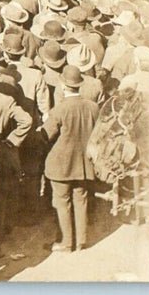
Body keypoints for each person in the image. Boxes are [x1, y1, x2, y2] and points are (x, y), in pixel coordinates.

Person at [42, 72, 100, 251]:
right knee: (81, 199)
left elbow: (46, 136)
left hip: (61, 164)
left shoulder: (59, 109)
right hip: (83, 163)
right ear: (79, 85)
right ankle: (81, 240)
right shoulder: (93, 107)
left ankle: (66, 242)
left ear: (63, 86)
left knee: (62, 202)